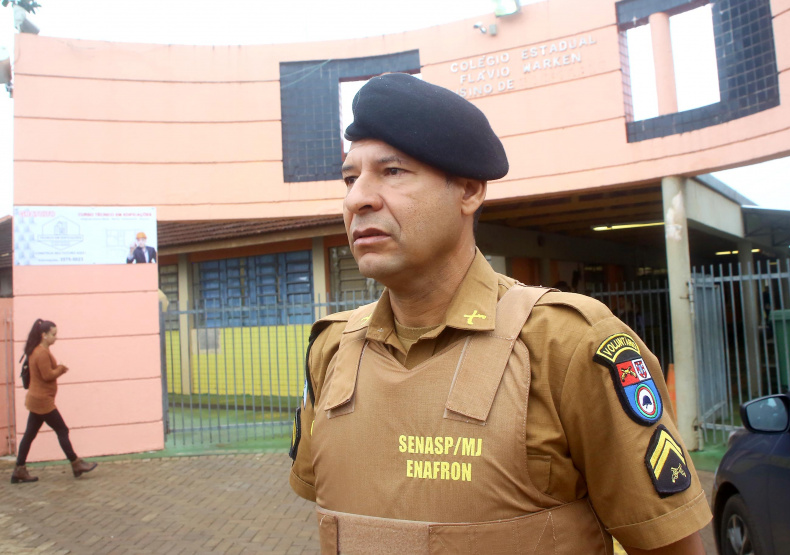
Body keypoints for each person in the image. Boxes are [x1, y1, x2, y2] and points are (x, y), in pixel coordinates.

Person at [288, 73, 711, 554]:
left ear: (468, 191)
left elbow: (669, 548)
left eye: (392, 172)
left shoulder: (567, 345)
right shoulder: (331, 348)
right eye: (349, 178)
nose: (356, 199)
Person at [11, 319, 98, 484]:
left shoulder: (37, 351)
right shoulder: (41, 353)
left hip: (37, 399)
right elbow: (47, 375)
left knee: (30, 435)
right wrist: (60, 369)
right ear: (44, 335)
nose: (56, 337)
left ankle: (19, 470)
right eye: (53, 334)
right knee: (62, 429)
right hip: (43, 401)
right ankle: (76, 464)